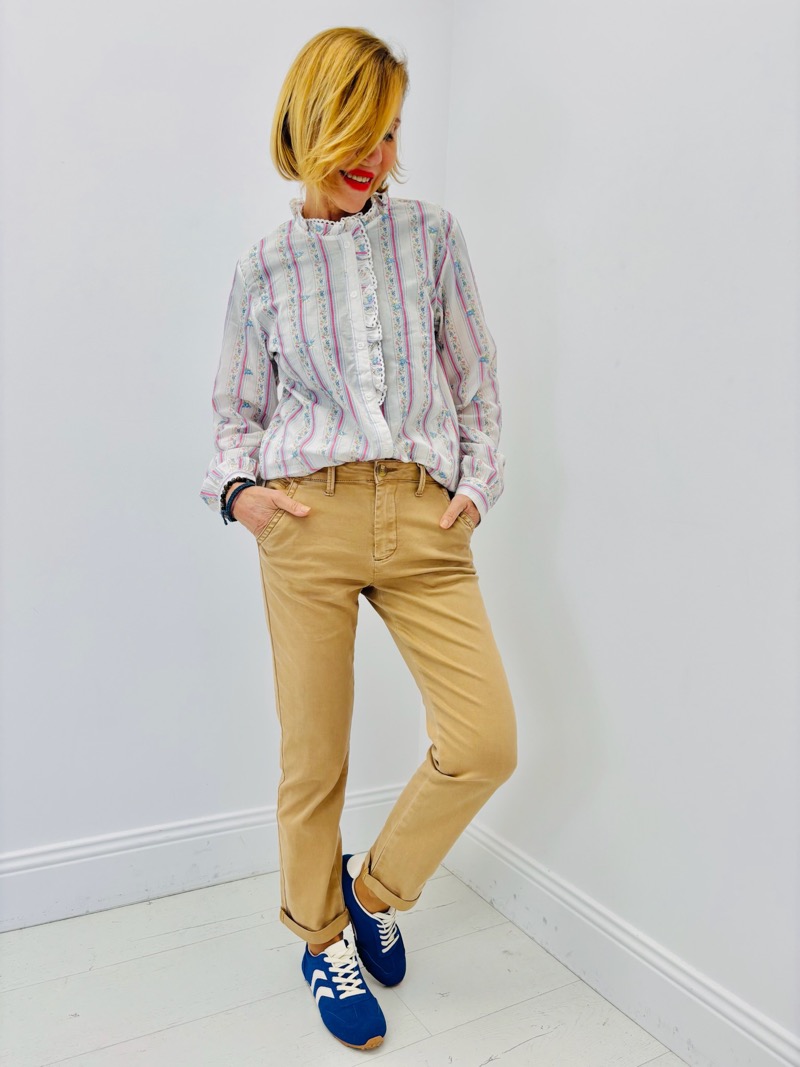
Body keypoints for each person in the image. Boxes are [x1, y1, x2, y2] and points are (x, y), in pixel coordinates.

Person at [199, 26, 518, 1053]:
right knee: (314, 757)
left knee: (483, 742)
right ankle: (319, 935)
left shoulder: (432, 237)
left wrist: (474, 487)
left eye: (387, 133)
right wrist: (243, 494)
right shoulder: (264, 267)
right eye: (355, 131)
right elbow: (235, 413)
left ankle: (371, 891)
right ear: (307, 126)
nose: (373, 157)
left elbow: (476, 381)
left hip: (423, 516)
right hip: (307, 515)